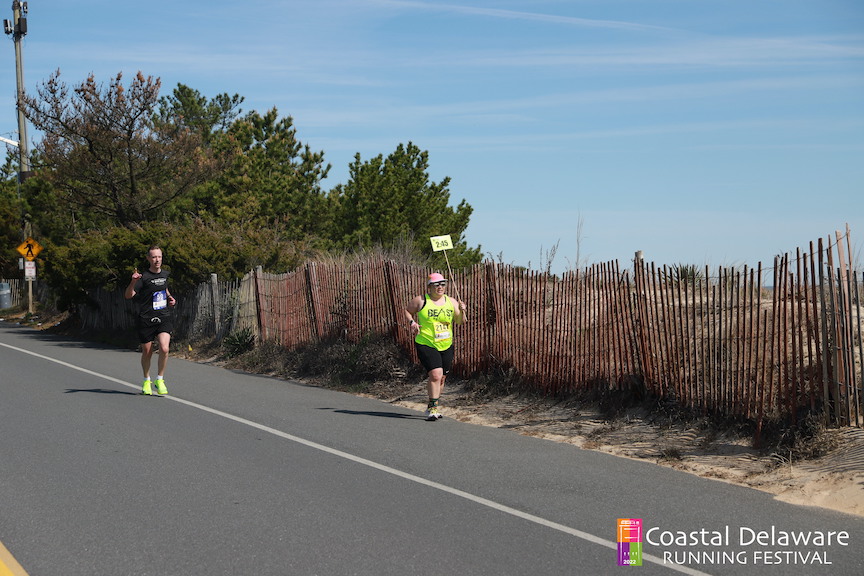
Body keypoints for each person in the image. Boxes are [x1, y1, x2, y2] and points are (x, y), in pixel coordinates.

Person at [405, 272, 466, 420]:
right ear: (429, 287)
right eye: (436, 284)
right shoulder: (421, 300)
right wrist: (412, 322)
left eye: (443, 284)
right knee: (435, 375)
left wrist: (462, 310)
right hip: (426, 342)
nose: (440, 287)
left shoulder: (451, 301)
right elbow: (407, 311)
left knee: (442, 378)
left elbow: (460, 321)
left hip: (446, 344)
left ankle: (433, 405)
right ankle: (433, 409)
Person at [124, 245, 177, 395]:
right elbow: (128, 295)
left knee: (165, 348)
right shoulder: (144, 277)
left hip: (163, 317)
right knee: (147, 352)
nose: (157, 260)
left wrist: (170, 298)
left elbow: (164, 289)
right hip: (146, 318)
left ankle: (160, 379)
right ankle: (146, 380)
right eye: (153, 257)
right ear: (148, 258)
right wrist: (133, 282)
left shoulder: (165, 274)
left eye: (159, 257)